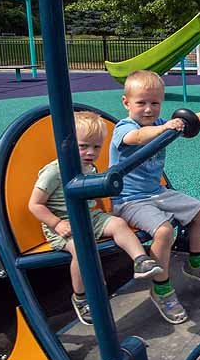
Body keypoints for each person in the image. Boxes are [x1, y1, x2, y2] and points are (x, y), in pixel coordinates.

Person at [28, 110, 163, 326]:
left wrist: (105, 212)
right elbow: (34, 204)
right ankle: (80, 297)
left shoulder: (90, 168)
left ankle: (140, 260)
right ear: (67, 144)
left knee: (118, 223)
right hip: (63, 224)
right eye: (83, 146)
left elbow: (95, 197)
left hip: (90, 217)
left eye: (96, 147)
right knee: (82, 250)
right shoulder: (54, 172)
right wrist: (56, 223)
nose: (91, 152)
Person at [110, 70, 200, 324]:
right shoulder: (125, 127)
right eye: (141, 103)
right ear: (126, 103)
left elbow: (192, 121)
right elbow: (137, 138)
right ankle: (161, 289)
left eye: (155, 103)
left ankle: (195, 262)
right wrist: (167, 127)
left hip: (156, 193)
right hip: (129, 199)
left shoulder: (160, 124)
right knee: (163, 232)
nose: (149, 109)